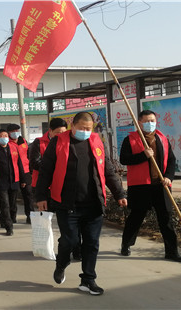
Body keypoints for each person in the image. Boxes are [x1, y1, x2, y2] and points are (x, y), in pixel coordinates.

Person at [35, 112, 127, 296]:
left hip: (93, 203)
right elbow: (45, 170)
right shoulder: (59, 142)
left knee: (92, 243)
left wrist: (119, 193)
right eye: (82, 128)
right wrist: (41, 196)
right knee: (70, 241)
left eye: (89, 128)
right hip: (67, 203)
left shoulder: (97, 142)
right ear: (73, 126)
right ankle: (61, 264)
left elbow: (108, 169)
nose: (86, 132)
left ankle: (88, 279)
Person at [120, 110, 181, 262]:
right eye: (147, 121)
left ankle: (172, 252)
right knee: (136, 217)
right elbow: (124, 159)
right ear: (139, 122)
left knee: (166, 218)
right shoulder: (130, 139)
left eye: (153, 120)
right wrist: (144, 155)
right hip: (140, 186)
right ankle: (126, 244)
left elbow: (171, 161)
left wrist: (169, 177)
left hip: (161, 185)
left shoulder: (162, 138)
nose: (150, 123)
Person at [29, 117, 85, 260]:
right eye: (58, 132)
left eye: (63, 131)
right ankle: (47, 248)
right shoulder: (38, 143)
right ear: (50, 131)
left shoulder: (68, 142)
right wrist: (54, 166)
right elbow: (34, 162)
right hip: (44, 186)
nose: (61, 134)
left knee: (69, 222)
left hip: (62, 188)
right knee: (46, 219)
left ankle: (75, 249)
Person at [0, 129, 26, 236]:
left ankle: (1, 218)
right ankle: (9, 227)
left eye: (5, 135)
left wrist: (23, 179)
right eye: (1, 136)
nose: (4, 137)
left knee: (13, 205)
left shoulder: (14, 148)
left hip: (14, 180)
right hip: (0, 181)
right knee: (5, 204)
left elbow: (19, 164)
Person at [7, 123, 33, 224]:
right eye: (13, 131)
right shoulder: (8, 143)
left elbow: (28, 155)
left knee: (28, 195)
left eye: (17, 131)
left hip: (26, 171)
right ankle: (12, 217)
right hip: (13, 172)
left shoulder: (23, 141)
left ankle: (30, 216)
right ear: (9, 133)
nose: (15, 133)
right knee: (13, 196)